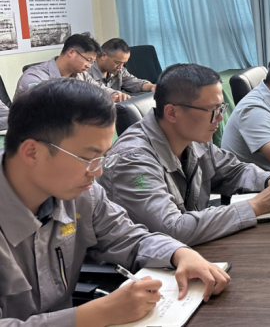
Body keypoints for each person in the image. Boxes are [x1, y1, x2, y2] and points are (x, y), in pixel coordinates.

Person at [0, 78, 229, 327]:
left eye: (103, 157)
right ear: (32, 152)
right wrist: (94, 314)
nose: (97, 172)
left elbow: (130, 238)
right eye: (88, 158)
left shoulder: (83, 195)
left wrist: (179, 253)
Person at [100, 64, 270, 247]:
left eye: (221, 108)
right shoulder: (132, 160)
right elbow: (172, 229)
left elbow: (233, 171)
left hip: (192, 253)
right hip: (142, 273)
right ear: (172, 113)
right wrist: (256, 205)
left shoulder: (193, 137)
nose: (219, 118)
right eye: (212, 110)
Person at [15, 32, 128, 103]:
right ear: (71, 53)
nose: (89, 65)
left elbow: (98, 88)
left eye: (92, 62)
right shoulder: (34, 77)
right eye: (88, 60)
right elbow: (46, 109)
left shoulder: (80, 74)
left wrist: (114, 94)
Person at [89, 38, 156, 94]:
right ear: (104, 56)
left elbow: (132, 82)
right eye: (118, 62)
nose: (120, 67)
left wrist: (152, 87)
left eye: (123, 63)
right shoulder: (86, 71)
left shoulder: (118, 70)